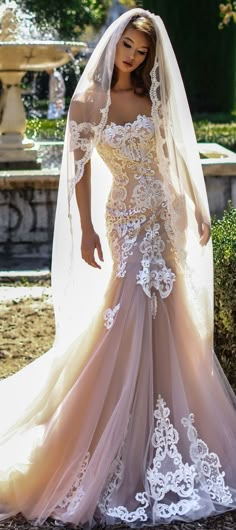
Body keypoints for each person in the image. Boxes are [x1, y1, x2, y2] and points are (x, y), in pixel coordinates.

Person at [0, 7, 236, 528]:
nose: (132, 55)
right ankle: (102, 432)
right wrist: (86, 228)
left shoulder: (151, 96)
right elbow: (79, 171)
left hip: (164, 212)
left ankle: (163, 429)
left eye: (141, 50)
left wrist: (196, 206)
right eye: (127, 45)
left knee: (169, 313)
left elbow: (174, 153)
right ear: (113, 43)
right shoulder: (87, 102)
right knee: (125, 311)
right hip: (126, 218)